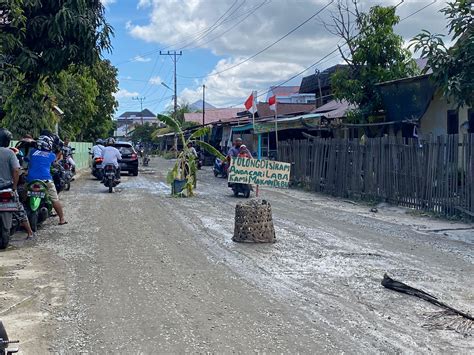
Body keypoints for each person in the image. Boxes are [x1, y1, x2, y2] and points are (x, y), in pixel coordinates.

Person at [0, 128, 35, 238]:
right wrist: (14, 186)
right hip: (7, 188)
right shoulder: (10, 153)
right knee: (19, 210)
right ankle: (30, 232)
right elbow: (16, 170)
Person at [27, 135, 67, 225]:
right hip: (46, 180)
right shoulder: (51, 155)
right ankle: (62, 219)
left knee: (24, 196)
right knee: (54, 199)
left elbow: (27, 161)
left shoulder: (32, 152)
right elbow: (55, 163)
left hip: (31, 180)